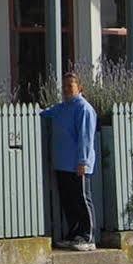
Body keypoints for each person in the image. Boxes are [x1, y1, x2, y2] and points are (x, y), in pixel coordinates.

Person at [41, 71, 97, 250]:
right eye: (64, 86)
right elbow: (44, 114)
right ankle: (74, 235)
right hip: (62, 164)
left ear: (79, 88)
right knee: (68, 201)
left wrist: (83, 161)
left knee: (82, 199)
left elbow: (85, 137)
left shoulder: (84, 108)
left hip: (77, 165)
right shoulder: (61, 108)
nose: (66, 89)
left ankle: (88, 237)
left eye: (69, 86)